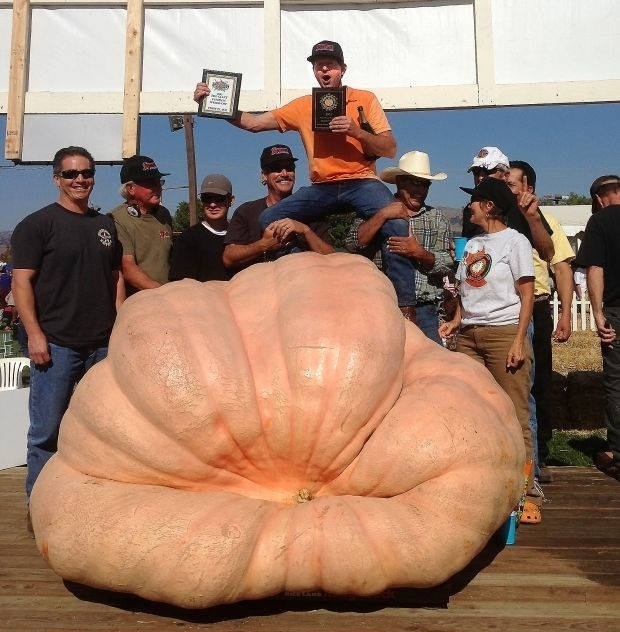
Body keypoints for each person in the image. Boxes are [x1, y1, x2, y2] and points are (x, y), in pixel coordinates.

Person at [194, 40, 419, 320]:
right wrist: (215, 102)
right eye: (318, 65)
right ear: (314, 71)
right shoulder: (303, 105)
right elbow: (253, 124)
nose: (325, 69)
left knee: (397, 223)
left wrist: (356, 131)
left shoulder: (364, 99)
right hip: (322, 187)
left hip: (362, 181)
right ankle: (301, 281)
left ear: (342, 69)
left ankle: (405, 308)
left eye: (331, 65)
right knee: (269, 220)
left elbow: (389, 149)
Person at [10, 146, 124, 503]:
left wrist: (120, 323)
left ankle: (88, 504)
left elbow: (116, 275)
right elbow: (21, 282)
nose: (80, 180)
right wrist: (35, 335)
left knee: (100, 430)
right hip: (56, 345)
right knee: (46, 432)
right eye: (71, 174)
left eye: (86, 173)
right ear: (56, 179)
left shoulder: (104, 225)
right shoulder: (37, 225)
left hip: (102, 345)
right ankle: (40, 508)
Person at [439, 178, 541, 523]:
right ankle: (478, 487)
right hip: (469, 336)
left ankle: (524, 494)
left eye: (475, 201)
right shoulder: (471, 246)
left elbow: (527, 294)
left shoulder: (516, 242)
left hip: (503, 333)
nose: (469, 207)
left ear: (490, 206)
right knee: (469, 410)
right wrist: (456, 319)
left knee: (514, 414)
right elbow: (468, 290)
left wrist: (517, 340)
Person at [507, 161, 575, 484]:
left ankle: (540, 452)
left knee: (539, 380)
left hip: (537, 305)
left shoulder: (546, 219)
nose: (506, 189)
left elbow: (560, 267)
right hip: (506, 307)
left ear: (528, 188)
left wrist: (565, 314)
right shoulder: (498, 219)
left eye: (511, 184)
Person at [345, 150, 453, 340]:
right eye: (414, 182)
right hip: (379, 306)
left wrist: (418, 252)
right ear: (399, 182)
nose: (420, 190)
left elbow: (447, 263)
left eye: (425, 184)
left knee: (426, 367)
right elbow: (353, 243)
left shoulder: (436, 218)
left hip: (424, 309)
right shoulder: (374, 211)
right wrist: (383, 215)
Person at [223, 145, 334, 274]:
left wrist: (305, 231)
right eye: (276, 169)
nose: (285, 174)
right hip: (260, 288)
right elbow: (228, 258)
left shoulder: (312, 210)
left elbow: (332, 258)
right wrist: (264, 244)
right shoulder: (246, 211)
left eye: (289, 168)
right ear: (264, 175)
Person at [573, 174, 620, 480]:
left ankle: (617, 450)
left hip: (616, 311)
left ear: (599, 198)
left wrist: (598, 312)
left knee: (616, 380)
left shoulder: (600, 222)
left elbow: (595, 268)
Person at [462, 146, 555, 263]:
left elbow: (547, 254)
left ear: (505, 175)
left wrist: (532, 218)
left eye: (487, 171)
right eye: (476, 172)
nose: (480, 177)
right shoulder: (471, 210)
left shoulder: (521, 205)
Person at [110, 155, 173, 295]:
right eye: (151, 183)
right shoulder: (117, 219)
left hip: (167, 302)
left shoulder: (165, 214)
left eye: (159, 182)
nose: (158, 187)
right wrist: (164, 293)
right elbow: (128, 268)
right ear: (131, 188)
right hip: (138, 305)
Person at [169, 174, 233, 282]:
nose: (212, 204)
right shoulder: (187, 239)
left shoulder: (239, 236)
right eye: (206, 198)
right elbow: (180, 285)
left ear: (231, 200)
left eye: (219, 198)